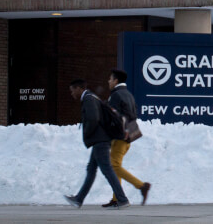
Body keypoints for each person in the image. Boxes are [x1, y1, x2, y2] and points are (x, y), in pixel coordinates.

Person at [64, 79, 131, 209]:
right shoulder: (92, 97)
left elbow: (93, 118)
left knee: (107, 169)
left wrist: (88, 132)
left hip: (100, 140)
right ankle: (78, 199)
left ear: (79, 89)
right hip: (100, 140)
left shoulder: (88, 99)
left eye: (72, 91)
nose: (72, 94)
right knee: (91, 169)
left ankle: (122, 199)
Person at [105, 69, 151, 207]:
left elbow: (114, 117)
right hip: (128, 135)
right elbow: (133, 114)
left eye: (110, 79)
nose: (108, 81)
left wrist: (110, 133)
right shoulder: (128, 94)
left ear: (116, 81)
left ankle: (141, 186)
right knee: (115, 165)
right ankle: (116, 198)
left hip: (120, 136)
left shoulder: (116, 96)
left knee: (114, 166)